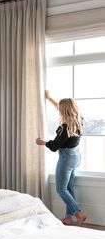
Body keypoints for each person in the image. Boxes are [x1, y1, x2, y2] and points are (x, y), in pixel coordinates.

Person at [36, 90, 87, 227]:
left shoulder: (65, 128)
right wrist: (50, 98)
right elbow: (59, 106)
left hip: (66, 158)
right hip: (76, 156)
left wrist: (42, 142)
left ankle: (78, 214)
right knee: (68, 187)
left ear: (65, 111)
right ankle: (68, 218)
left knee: (61, 189)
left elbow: (54, 146)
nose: (59, 111)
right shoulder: (79, 120)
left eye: (61, 110)